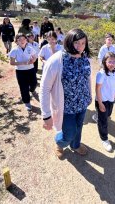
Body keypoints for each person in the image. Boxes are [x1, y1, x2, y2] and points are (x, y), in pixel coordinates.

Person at [40, 28, 92, 158]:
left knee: (79, 128)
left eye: (83, 43)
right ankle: (60, 143)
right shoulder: (56, 61)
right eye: (77, 43)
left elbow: (87, 78)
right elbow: (44, 88)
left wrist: (89, 95)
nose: (80, 47)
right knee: (69, 133)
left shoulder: (85, 58)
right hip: (65, 107)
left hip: (82, 103)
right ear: (69, 42)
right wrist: (46, 115)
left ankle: (75, 145)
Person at [95, 52, 115, 152]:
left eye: (114, 61)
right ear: (105, 62)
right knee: (103, 122)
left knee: (108, 115)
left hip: (110, 100)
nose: (112, 64)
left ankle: (97, 116)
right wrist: (100, 104)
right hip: (102, 100)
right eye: (109, 61)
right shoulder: (101, 73)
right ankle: (104, 139)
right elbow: (97, 89)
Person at [92, 33, 115, 123]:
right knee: (101, 89)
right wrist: (104, 67)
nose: (110, 41)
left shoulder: (114, 48)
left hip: (111, 68)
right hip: (104, 68)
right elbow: (100, 59)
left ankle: (101, 112)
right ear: (105, 40)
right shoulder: (103, 48)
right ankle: (97, 113)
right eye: (108, 39)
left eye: (111, 40)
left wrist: (113, 66)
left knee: (108, 87)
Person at [9, 33, 37, 111]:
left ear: (26, 40)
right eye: (19, 39)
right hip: (20, 71)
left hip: (31, 69)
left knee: (34, 83)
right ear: (16, 41)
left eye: (23, 39)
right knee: (23, 87)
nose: (22, 41)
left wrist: (33, 60)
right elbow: (11, 62)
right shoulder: (14, 50)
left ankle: (32, 90)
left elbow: (35, 57)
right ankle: (27, 102)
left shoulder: (29, 48)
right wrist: (22, 63)